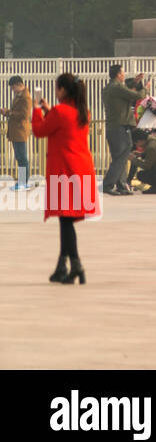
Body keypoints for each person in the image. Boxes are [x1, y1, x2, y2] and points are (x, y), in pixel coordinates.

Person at [31, 73, 96, 284]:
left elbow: (39, 130)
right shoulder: (81, 111)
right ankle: (63, 265)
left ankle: (76, 265)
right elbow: (63, 126)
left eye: (57, 88)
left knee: (66, 220)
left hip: (65, 171)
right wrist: (50, 111)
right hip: (81, 169)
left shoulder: (60, 112)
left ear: (63, 91)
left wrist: (36, 110)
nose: (56, 92)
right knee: (66, 220)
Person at [102, 65, 147, 196]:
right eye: (123, 72)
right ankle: (108, 184)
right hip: (120, 126)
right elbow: (137, 95)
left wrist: (135, 81)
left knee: (119, 156)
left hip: (113, 127)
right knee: (122, 155)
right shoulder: (117, 87)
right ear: (118, 74)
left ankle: (121, 185)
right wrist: (145, 88)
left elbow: (125, 88)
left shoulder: (110, 87)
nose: (124, 74)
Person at [2, 76, 33, 191]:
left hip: (20, 130)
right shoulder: (19, 96)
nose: (12, 90)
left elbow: (24, 115)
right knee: (19, 157)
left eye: (13, 87)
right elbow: (16, 112)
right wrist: (6, 112)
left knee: (22, 157)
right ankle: (22, 182)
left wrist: (9, 112)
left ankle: (23, 182)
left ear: (19, 84)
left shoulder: (26, 97)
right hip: (16, 131)